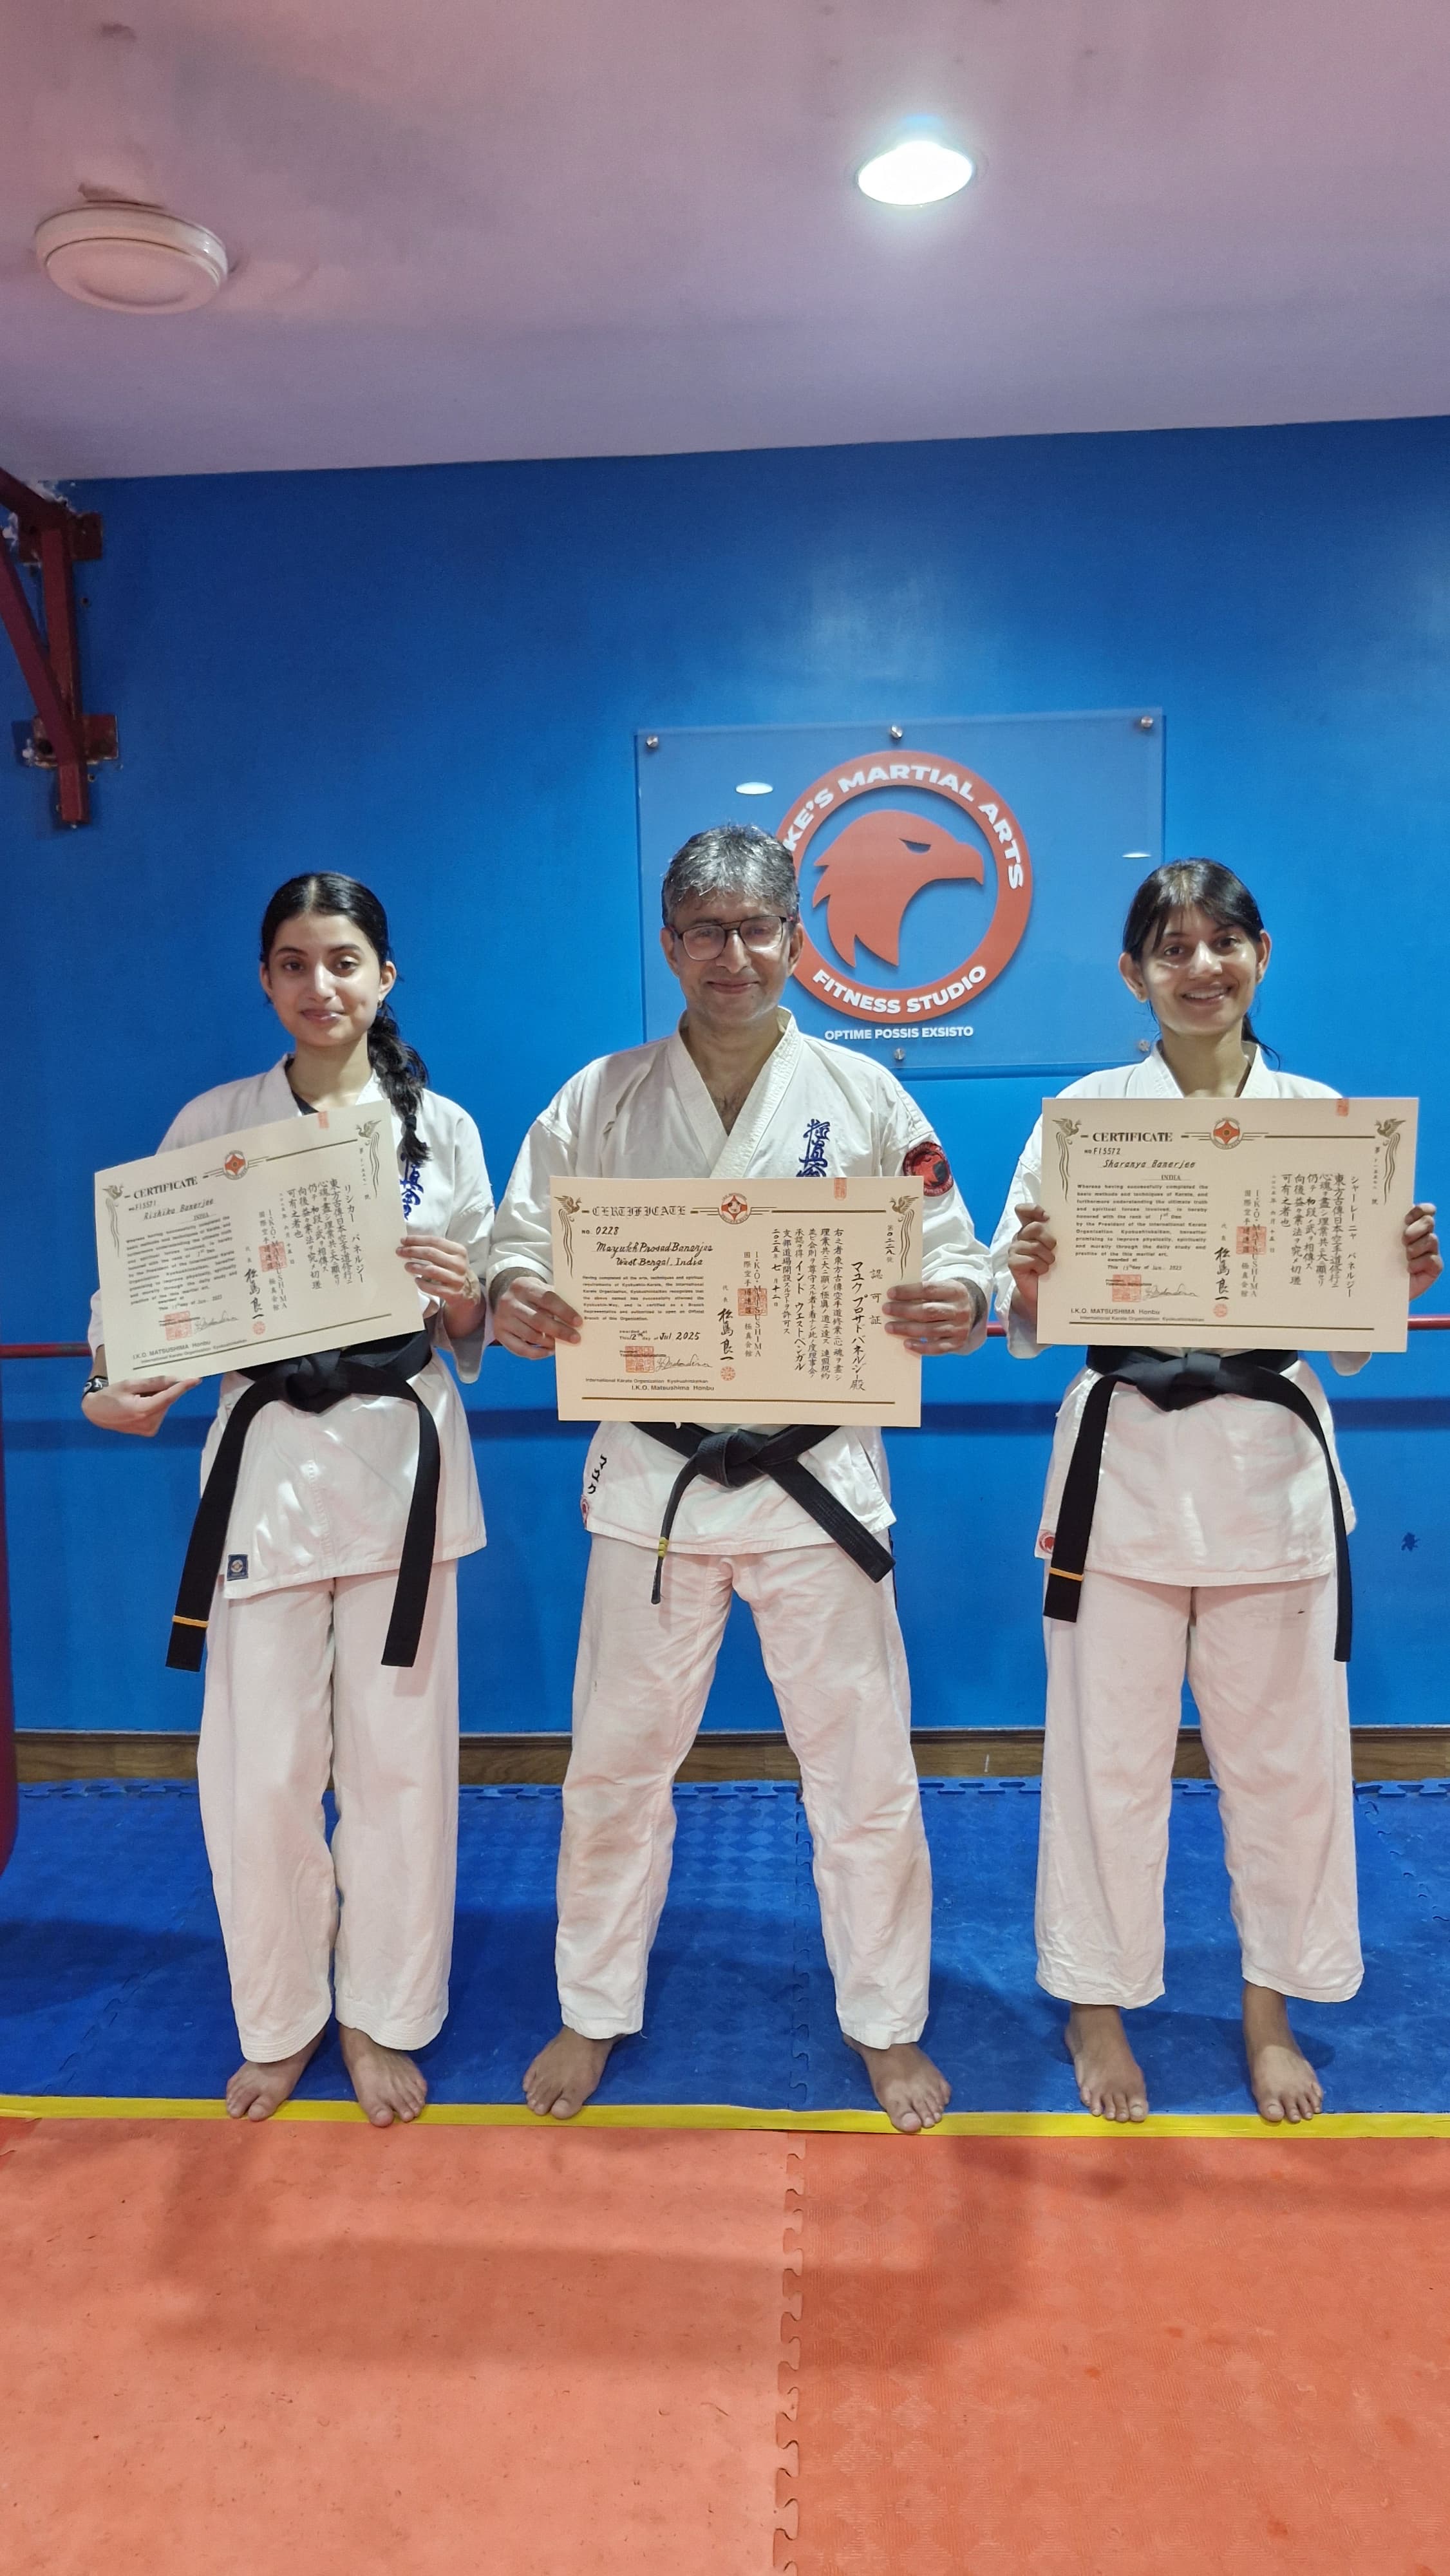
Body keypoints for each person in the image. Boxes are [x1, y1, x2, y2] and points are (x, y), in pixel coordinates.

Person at [487, 822, 992, 2133]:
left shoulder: (866, 1098)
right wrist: (517, 1290)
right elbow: (517, 1238)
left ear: (796, 942)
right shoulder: (597, 1099)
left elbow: (955, 1245)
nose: (732, 954)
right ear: (669, 945)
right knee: (614, 1763)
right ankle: (592, 2005)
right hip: (653, 1478)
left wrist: (960, 1297)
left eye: (755, 927)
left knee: (861, 1766)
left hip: (814, 1477)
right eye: (704, 930)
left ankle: (885, 2020)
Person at [991, 860, 1440, 2126]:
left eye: (1223, 942)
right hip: (1122, 1468)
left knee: (1286, 1763)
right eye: (1172, 947)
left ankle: (1268, 2007)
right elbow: (1022, 1303)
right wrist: (1028, 1270)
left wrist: (1393, 1275)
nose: (1201, 967)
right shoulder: (1086, 1116)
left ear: (1261, 954)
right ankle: (1095, 2001)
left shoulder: (1324, 1120)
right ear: (1133, 973)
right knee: (1105, 1756)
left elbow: (1347, 1338)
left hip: (1268, 1476)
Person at [82, 874, 494, 2126]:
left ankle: (381, 2014)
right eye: (296, 963)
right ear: (266, 981)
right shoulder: (214, 1122)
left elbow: (477, 1319)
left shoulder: (443, 1129)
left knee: (399, 1769)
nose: (322, 985)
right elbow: (140, 1296)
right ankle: (279, 2017)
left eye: (344, 960)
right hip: (265, 1469)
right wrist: (117, 1383)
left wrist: (462, 1296)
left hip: (402, 1466)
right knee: (257, 1772)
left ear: (386, 976)